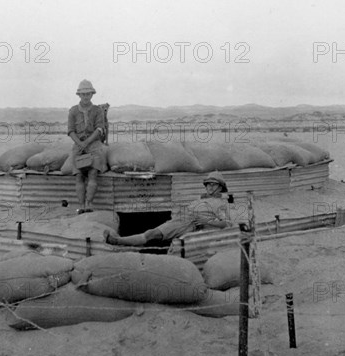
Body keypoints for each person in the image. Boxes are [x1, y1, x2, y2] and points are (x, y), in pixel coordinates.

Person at [105, 171, 233, 246]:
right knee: (152, 234)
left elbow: (225, 224)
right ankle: (119, 241)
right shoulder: (201, 199)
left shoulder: (220, 203)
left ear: (220, 187)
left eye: (213, 184)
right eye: (208, 184)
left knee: (152, 234)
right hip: (183, 219)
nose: (210, 187)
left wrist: (205, 221)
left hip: (190, 223)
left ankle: (118, 241)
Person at [68, 80, 107, 213]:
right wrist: (80, 144)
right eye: (83, 94)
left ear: (92, 94)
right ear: (79, 95)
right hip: (78, 146)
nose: (86, 97)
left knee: (93, 173)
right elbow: (70, 131)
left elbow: (99, 129)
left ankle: (89, 204)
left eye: (88, 94)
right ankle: (81, 206)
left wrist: (87, 142)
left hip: (94, 145)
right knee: (78, 175)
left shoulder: (97, 110)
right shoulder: (73, 111)